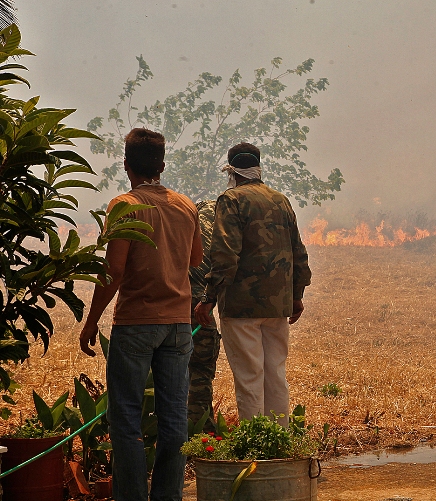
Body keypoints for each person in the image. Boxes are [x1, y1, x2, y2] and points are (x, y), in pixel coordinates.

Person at [80, 128, 202, 501]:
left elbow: (114, 270)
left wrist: (91, 321)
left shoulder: (124, 205)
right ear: (162, 166)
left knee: (126, 420)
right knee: (174, 419)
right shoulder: (185, 205)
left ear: (126, 164)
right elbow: (195, 259)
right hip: (178, 326)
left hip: (136, 323)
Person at [194, 142, 311, 427]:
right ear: (258, 168)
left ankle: (255, 443)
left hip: (241, 307)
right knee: (275, 376)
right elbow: (298, 252)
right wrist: (296, 295)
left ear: (231, 172)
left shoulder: (231, 200)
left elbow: (225, 255)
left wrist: (208, 298)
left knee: (249, 378)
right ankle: (278, 440)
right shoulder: (280, 200)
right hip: (278, 306)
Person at [187, 199, 221, 432]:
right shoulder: (227, 228)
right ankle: (201, 435)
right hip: (199, 307)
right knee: (199, 375)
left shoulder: (190, 218)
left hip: (170, 303)